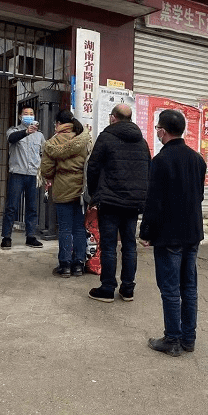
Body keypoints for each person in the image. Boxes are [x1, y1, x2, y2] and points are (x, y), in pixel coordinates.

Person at [139, 110, 207, 357]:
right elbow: (198, 197)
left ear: (162, 131)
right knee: (189, 286)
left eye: (158, 128)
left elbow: (153, 202)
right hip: (192, 233)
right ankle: (189, 338)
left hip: (169, 235)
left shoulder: (160, 161)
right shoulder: (198, 160)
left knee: (169, 288)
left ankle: (172, 339)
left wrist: (146, 232)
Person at [85, 103, 150, 303]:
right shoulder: (142, 142)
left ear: (113, 117)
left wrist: (95, 195)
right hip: (132, 204)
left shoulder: (106, 138)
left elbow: (93, 168)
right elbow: (148, 170)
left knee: (109, 245)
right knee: (129, 246)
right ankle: (128, 288)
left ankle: (107, 288)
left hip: (110, 202)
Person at [39, 109, 92, 278]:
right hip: (81, 190)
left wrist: (52, 176)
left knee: (64, 229)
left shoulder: (52, 143)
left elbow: (46, 169)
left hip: (62, 188)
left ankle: (65, 265)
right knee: (79, 228)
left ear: (59, 124)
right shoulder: (84, 139)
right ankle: (79, 265)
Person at [1, 104, 45, 249]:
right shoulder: (14, 131)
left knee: (32, 207)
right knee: (12, 206)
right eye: (26, 113)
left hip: (33, 175)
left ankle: (30, 236)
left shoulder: (39, 135)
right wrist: (26, 132)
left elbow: (44, 153)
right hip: (17, 174)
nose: (29, 115)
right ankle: (6, 237)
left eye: (31, 113)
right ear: (20, 116)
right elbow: (12, 139)